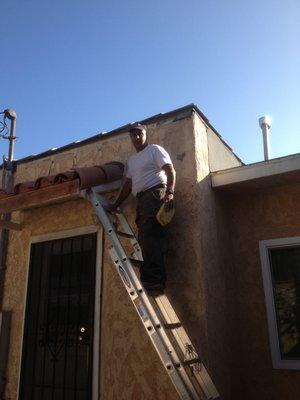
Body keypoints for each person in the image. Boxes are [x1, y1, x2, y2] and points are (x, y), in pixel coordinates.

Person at [107, 124, 176, 296]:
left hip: (155, 194)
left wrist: (170, 192)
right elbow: (129, 184)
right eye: (133, 135)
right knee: (146, 237)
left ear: (145, 134)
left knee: (151, 236)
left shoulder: (154, 150)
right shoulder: (132, 161)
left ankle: (154, 282)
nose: (136, 137)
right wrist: (116, 204)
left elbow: (169, 170)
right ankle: (151, 279)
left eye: (139, 134)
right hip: (142, 199)